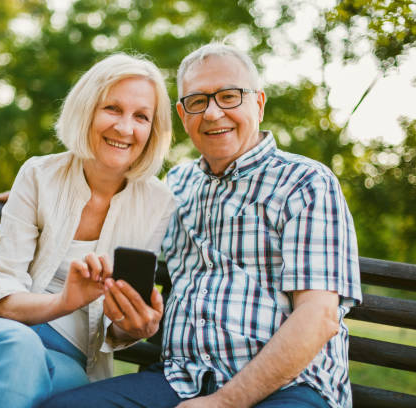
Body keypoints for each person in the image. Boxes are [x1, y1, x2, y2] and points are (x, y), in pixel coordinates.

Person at [42, 43, 362, 408]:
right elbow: (108, 197)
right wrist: (48, 194)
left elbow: (318, 317)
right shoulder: (174, 187)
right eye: (197, 101)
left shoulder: (305, 183)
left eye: (229, 96)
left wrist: (224, 402)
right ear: (182, 114)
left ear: (258, 104)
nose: (212, 113)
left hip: (289, 387)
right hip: (180, 378)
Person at [0, 53, 176, 407]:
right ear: (86, 110)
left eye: (141, 116)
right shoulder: (40, 176)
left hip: (67, 357)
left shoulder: (158, 202)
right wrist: (64, 302)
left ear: (153, 130)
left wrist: (133, 327)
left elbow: (115, 325)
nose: (125, 128)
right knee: (17, 351)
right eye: (112, 108)